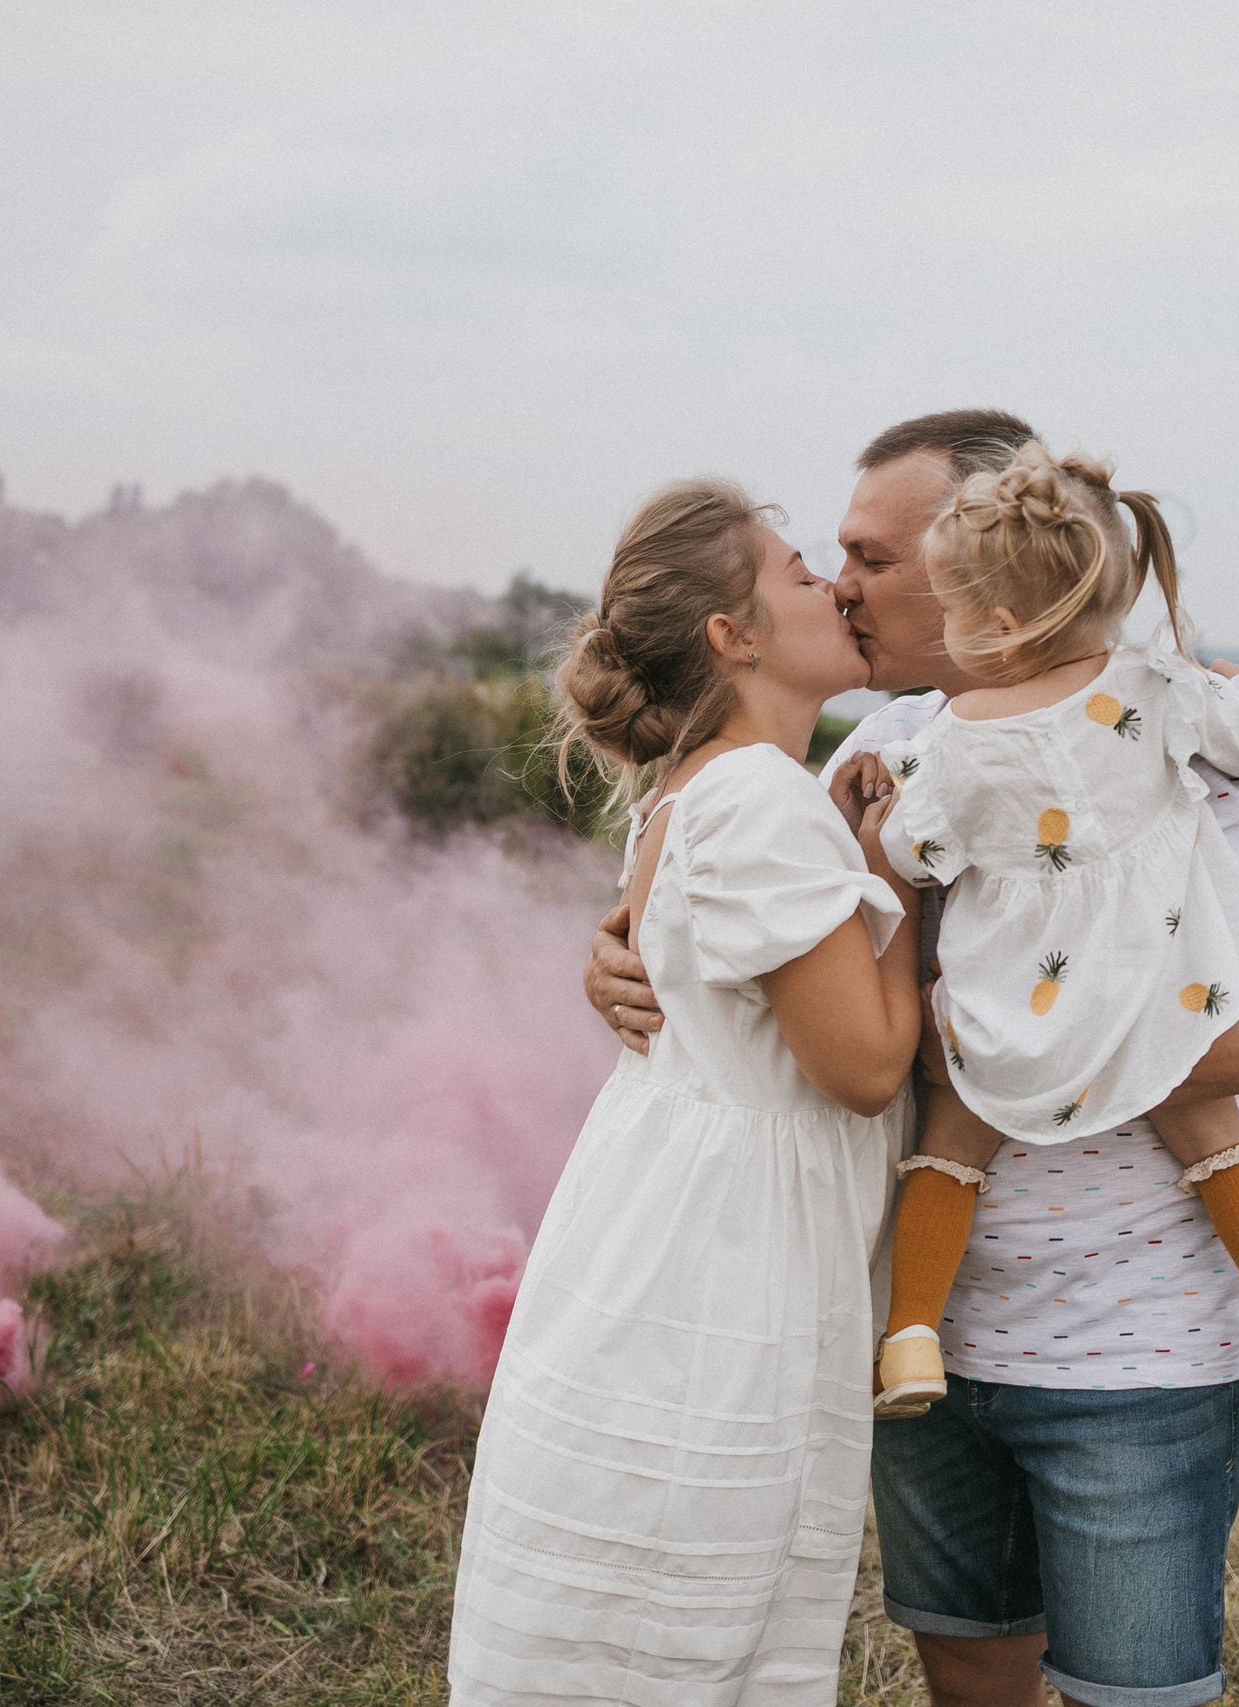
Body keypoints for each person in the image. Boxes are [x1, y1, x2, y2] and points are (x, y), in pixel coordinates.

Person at [584, 411, 1239, 1707]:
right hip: (915, 1338)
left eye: (873, 557)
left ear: (986, 568)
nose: (842, 585)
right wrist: (627, 956)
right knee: (971, 1680)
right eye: (833, 558)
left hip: (1137, 1354)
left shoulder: (1190, 735)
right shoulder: (883, 755)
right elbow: (794, 959)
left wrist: (1003, 1030)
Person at [448, 478, 925, 1706]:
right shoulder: (760, 797)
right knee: (700, 1587)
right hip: (728, 1259)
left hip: (664, 1217)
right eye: (798, 573)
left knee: (644, 1604)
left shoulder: (707, 786)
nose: (832, 586)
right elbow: (865, 1069)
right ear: (733, 635)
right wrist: (897, 882)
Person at [858, 439, 1239, 1422]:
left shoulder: (948, 742)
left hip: (1013, 995)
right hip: (1153, 974)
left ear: (999, 623)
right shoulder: (1158, 685)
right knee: (1216, 1140)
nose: (944, 628)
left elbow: (912, 855)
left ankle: (909, 1340)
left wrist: (878, 823)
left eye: (950, 608)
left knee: (951, 1146)